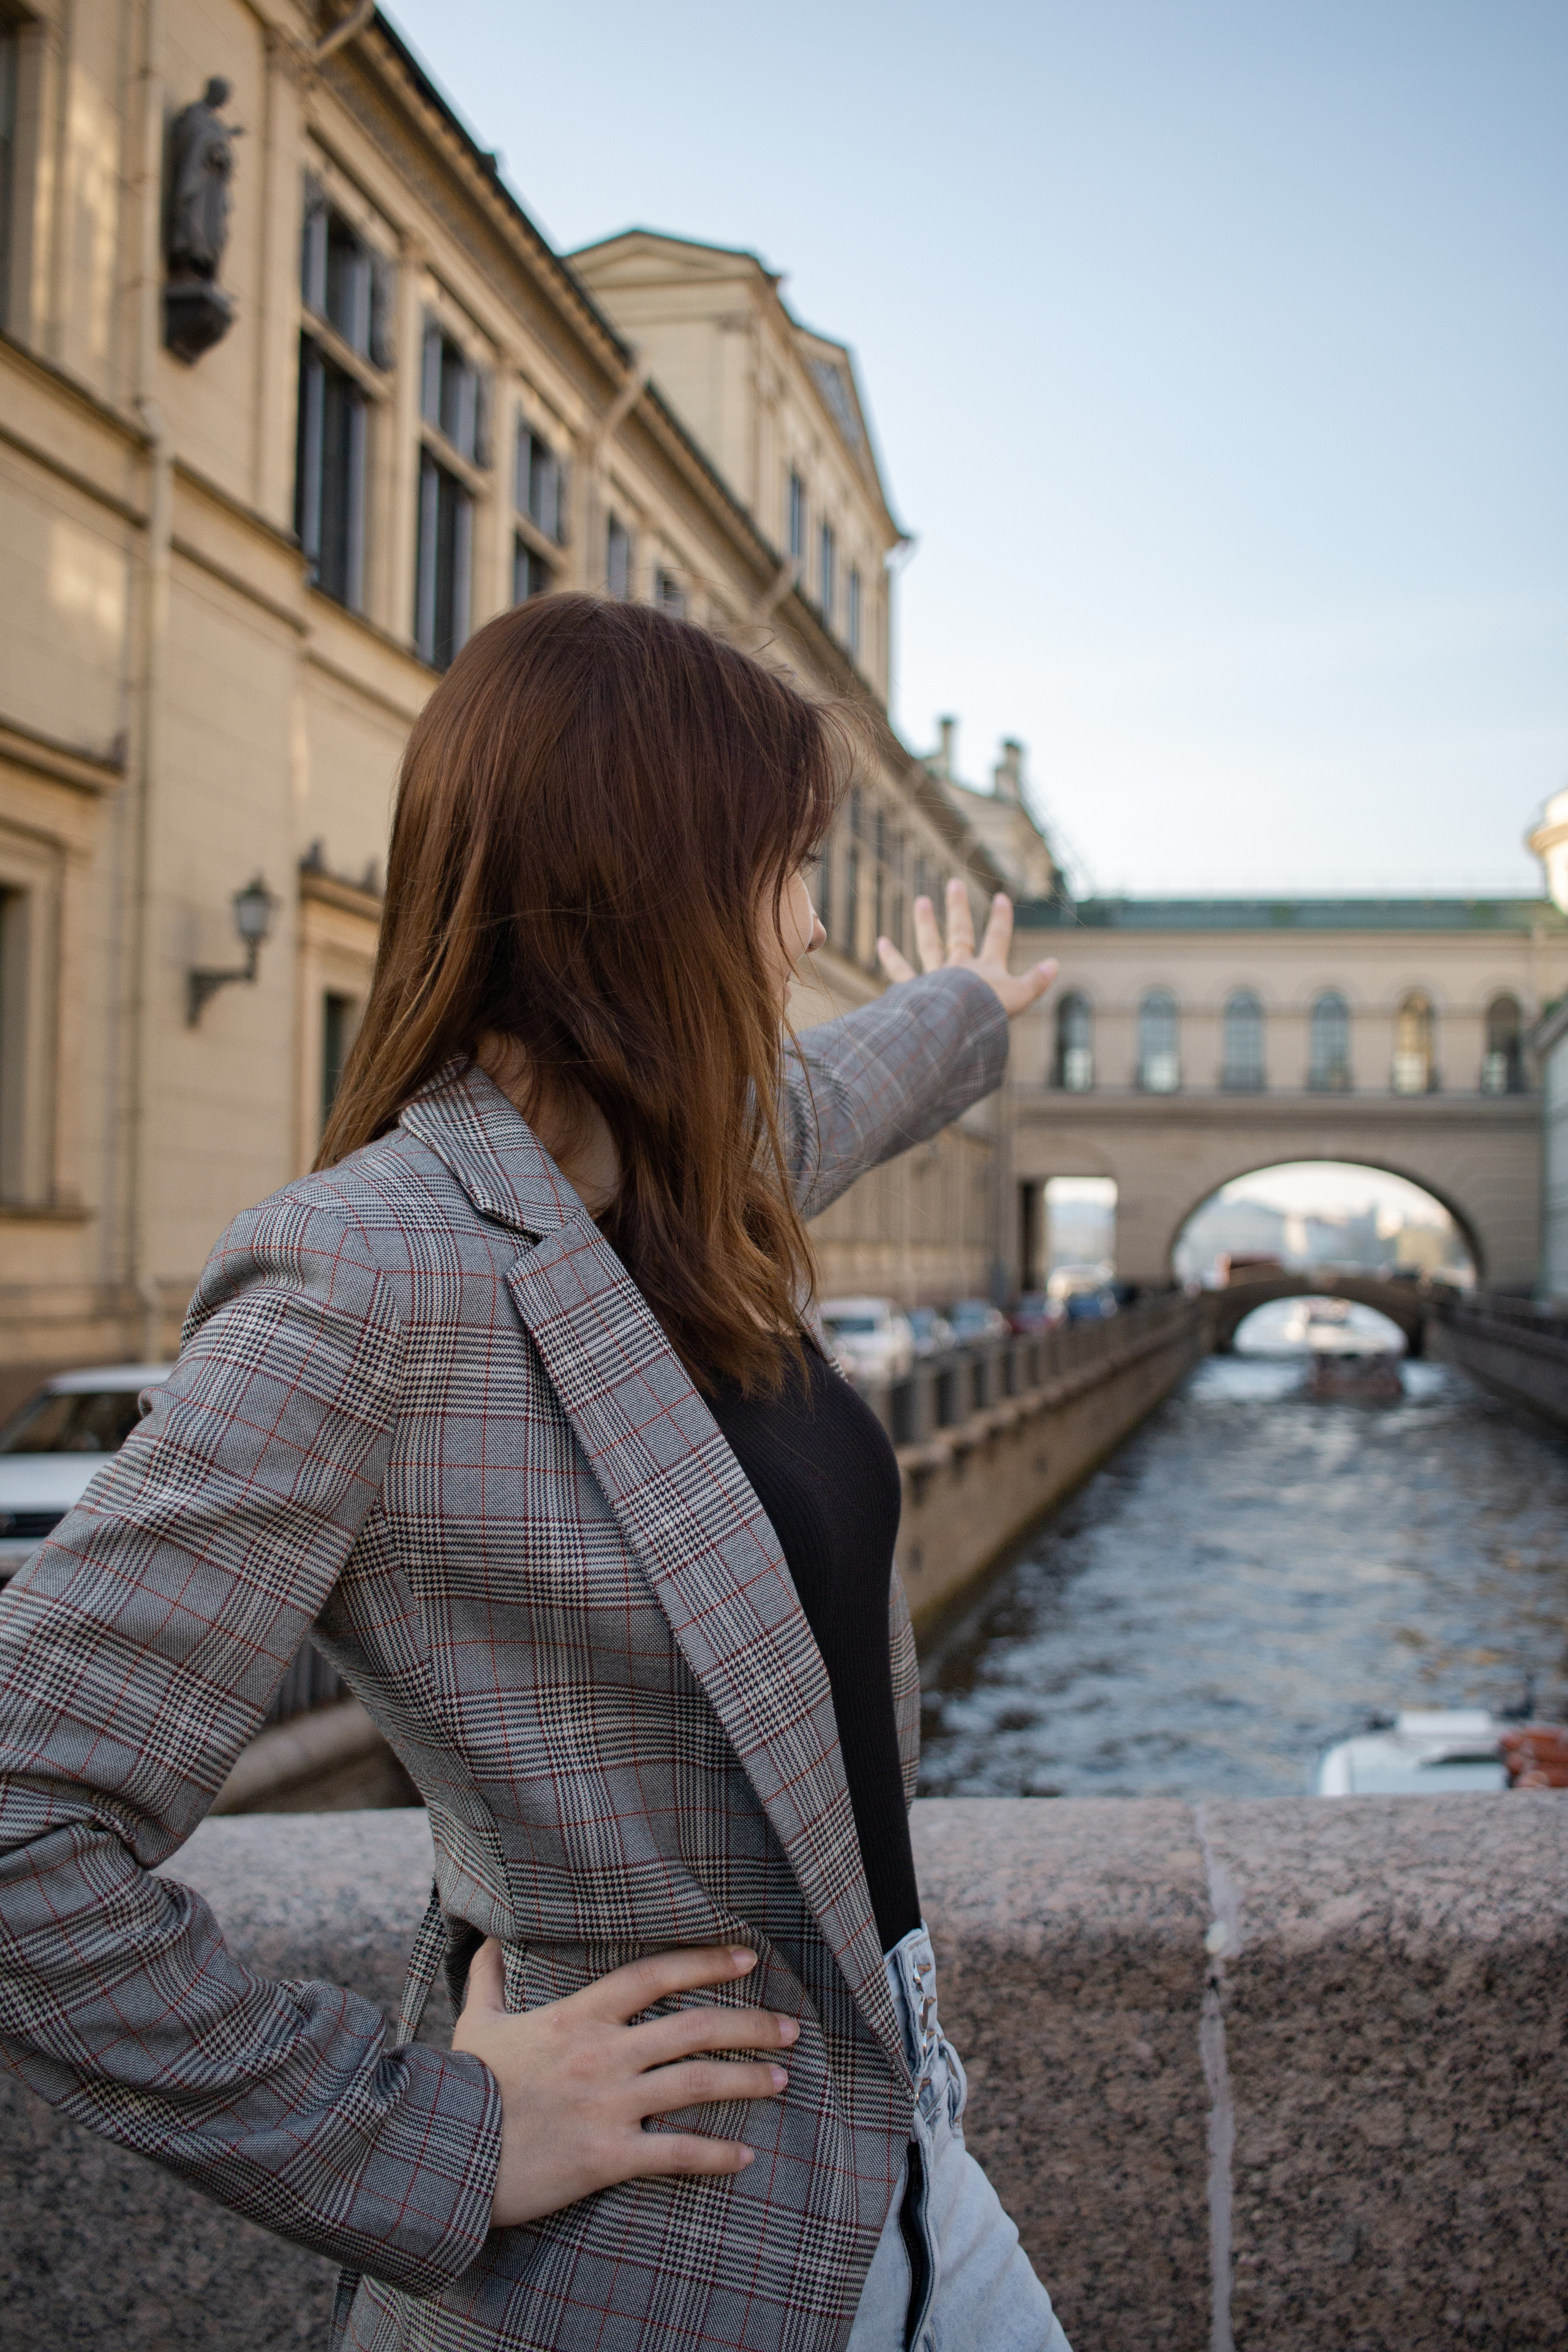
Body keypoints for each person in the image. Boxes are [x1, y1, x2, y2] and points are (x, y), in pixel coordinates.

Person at [0, 596, 1070, 2352]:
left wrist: (970, 1006)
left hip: (907, 2135)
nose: (811, 925)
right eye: (787, 870)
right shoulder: (368, 1278)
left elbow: (848, 1088)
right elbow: (21, 1820)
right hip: (670, 2248)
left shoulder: (686, 1181)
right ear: (651, 885)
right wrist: (432, 2135)